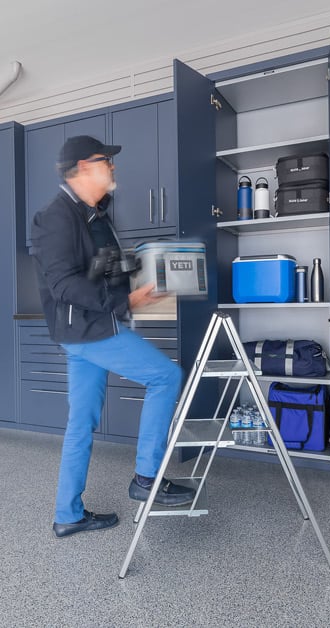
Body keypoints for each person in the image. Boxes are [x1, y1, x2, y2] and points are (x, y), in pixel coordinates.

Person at [30, 135, 192, 539]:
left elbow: (102, 268)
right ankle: (147, 477)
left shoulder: (95, 214)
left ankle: (68, 515)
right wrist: (126, 301)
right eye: (107, 160)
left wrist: (142, 271)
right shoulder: (55, 216)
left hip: (87, 330)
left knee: (80, 422)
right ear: (85, 167)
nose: (113, 166)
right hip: (89, 330)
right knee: (166, 376)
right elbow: (64, 284)